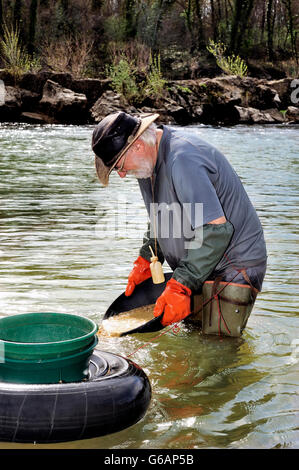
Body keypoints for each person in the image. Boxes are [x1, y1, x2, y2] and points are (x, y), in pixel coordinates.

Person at [91, 111, 267, 333]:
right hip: (198, 265)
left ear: (136, 146)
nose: (122, 174)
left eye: (118, 166)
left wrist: (181, 285)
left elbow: (216, 230)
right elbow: (162, 216)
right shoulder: (146, 164)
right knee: (192, 340)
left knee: (215, 351)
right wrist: (146, 258)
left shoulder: (183, 159)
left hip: (232, 267)